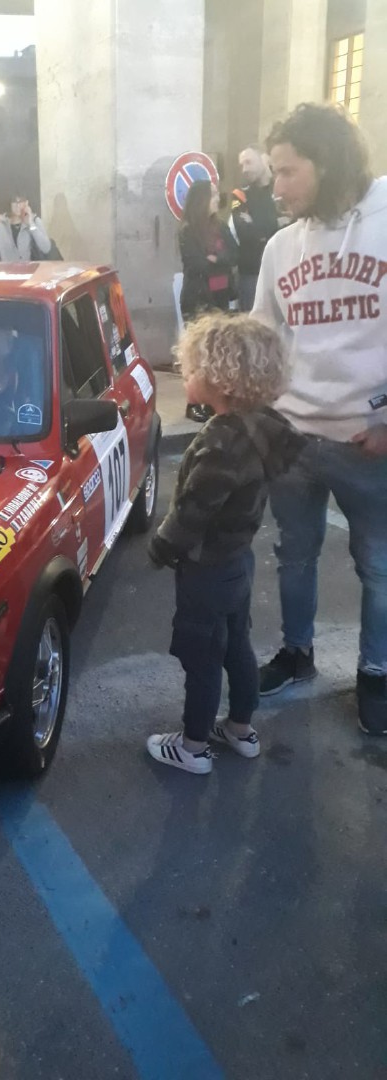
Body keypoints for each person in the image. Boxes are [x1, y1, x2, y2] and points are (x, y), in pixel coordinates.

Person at [253, 103, 387, 735]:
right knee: (294, 554)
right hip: (294, 440)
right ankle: (297, 653)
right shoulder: (281, 246)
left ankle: (377, 673)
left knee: (381, 566)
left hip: (371, 443)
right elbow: (263, 337)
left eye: (287, 171)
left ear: (326, 162)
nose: (275, 186)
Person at [146, 313, 305, 774]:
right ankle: (240, 729)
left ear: (221, 379)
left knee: (202, 655)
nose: (186, 376)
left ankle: (193, 747)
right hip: (238, 559)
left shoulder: (221, 444)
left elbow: (193, 512)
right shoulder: (263, 426)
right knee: (237, 645)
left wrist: (160, 548)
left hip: (207, 568)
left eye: (192, 369)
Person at [178, 180, 238, 423]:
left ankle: (213, 400)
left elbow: (234, 254)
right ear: (202, 200)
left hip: (220, 297)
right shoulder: (188, 231)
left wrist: (216, 258)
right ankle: (194, 402)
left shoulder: (221, 227)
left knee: (216, 352)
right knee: (197, 354)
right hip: (198, 299)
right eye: (212, 195)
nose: (217, 199)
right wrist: (214, 261)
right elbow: (195, 263)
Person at [230, 145, 282, 311]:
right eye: (241, 165)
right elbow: (244, 233)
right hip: (251, 275)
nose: (244, 169)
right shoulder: (239, 195)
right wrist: (274, 223)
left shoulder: (282, 190)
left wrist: (256, 223)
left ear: (265, 159)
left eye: (249, 162)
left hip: (282, 271)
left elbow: (294, 225)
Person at [0, 195, 52, 262]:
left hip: (32, 270)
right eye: (14, 202)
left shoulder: (35, 221)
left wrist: (31, 224)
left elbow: (46, 248)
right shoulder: (0, 228)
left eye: (21, 201)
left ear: (26, 203)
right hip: (8, 271)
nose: (18, 206)